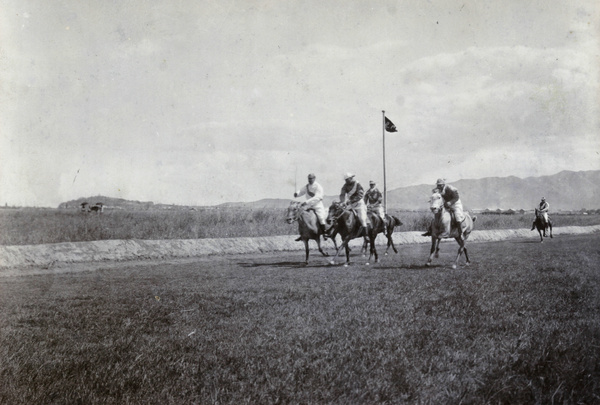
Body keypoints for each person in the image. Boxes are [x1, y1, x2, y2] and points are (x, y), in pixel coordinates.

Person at [294, 173, 329, 239]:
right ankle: (302, 234)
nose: (309, 180)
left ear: (314, 178)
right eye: (308, 179)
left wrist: (306, 202)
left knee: (321, 217)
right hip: (309, 205)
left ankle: (324, 233)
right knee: (301, 216)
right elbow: (301, 191)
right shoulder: (307, 186)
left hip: (317, 205)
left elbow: (317, 197)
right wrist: (297, 194)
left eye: (311, 178)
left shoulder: (318, 186)